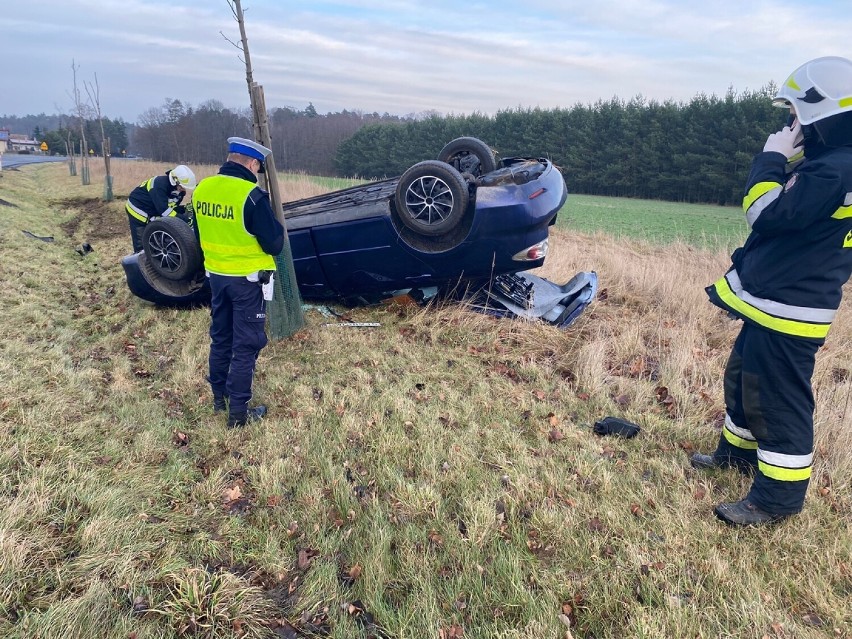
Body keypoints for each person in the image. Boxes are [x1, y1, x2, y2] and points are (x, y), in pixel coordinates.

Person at [694, 56, 852, 526]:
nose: (789, 123)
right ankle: (735, 455)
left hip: (789, 308)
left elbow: (765, 212)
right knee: (746, 381)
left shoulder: (833, 172)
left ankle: (775, 501)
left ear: (821, 121)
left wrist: (773, 157)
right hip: (779, 303)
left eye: (796, 116)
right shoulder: (835, 166)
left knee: (779, 401)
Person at [192, 137, 284, 428]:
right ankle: (238, 415)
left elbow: (197, 233)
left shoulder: (201, 189)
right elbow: (274, 244)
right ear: (253, 163)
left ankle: (219, 399)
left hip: (217, 277)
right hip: (248, 282)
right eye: (258, 166)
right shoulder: (252, 196)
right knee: (246, 345)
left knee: (221, 338)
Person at [126, 164, 197, 252]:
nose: (183, 190)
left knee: (157, 236)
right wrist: (183, 219)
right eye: (182, 187)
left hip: (154, 209)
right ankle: (139, 259)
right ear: (175, 181)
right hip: (137, 207)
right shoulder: (159, 184)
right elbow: (164, 211)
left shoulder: (178, 192)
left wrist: (183, 209)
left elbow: (171, 207)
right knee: (141, 239)